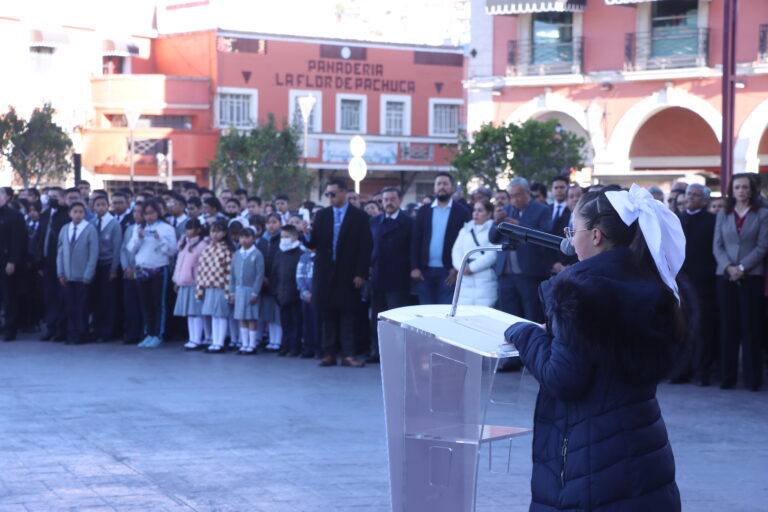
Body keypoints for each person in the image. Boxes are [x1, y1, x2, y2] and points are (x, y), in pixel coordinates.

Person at [505, 184, 684, 512]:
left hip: (595, 456)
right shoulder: (653, 280)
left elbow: (563, 377)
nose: (571, 240)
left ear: (597, 235)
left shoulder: (582, 291)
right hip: (643, 443)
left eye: (574, 230)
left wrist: (524, 334)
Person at [305, 178, 372, 368]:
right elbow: (314, 244)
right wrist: (306, 234)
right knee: (327, 314)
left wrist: (361, 273)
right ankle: (329, 353)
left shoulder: (359, 217)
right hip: (325, 273)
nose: (330, 197)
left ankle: (348, 354)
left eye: (333, 194)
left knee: (348, 315)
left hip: (348, 272)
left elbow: (365, 248)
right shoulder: (323, 215)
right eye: (328, 194)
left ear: (344, 193)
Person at [713, 173, 768, 391]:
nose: (741, 191)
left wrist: (742, 268)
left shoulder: (762, 214)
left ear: (751, 190)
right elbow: (717, 246)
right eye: (737, 187)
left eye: (745, 187)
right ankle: (727, 378)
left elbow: (763, 246)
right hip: (725, 275)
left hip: (751, 275)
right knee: (728, 327)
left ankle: (753, 379)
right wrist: (729, 267)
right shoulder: (723, 214)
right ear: (731, 190)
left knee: (751, 327)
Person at [672, 184, 717, 386]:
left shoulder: (712, 220)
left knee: (703, 330)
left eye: (695, 195)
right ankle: (682, 371)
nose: (690, 197)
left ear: (705, 200)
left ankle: (702, 371)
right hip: (679, 282)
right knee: (681, 328)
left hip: (703, 283)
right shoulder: (677, 219)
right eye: (688, 194)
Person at [491, 178, 553, 322]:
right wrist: (496, 222)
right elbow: (492, 238)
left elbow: (546, 235)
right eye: (511, 196)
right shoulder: (505, 211)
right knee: (506, 319)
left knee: (531, 318)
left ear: (528, 193)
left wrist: (520, 226)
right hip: (505, 275)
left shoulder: (542, 210)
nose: (515, 200)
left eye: (518, 195)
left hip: (529, 274)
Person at [411, 173, 471, 305]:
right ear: (434, 188)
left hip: (449, 272)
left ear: (452, 188)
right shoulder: (423, 211)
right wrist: (414, 267)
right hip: (424, 272)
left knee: (444, 313)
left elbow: (466, 243)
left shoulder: (462, 212)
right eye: (439, 184)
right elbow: (415, 240)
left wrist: (457, 269)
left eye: (445, 184)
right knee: (426, 314)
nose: (441, 187)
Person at [369, 187, 412, 363]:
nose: (388, 202)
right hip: (377, 277)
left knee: (397, 321)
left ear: (400, 201)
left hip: (399, 278)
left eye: (392, 199)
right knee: (377, 319)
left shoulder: (409, 222)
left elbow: (413, 249)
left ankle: (397, 355)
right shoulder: (374, 222)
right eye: (385, 199)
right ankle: (376, 351)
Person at [127, 200, 177, 348]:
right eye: (146, 214)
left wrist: (159, 238)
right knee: (145, 303)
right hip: (142, 269)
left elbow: (171, 251)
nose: (149, 217)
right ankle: (148, 333)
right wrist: (140, 238)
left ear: (158, 213)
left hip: (159, 268)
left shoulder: (166, 228)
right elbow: (131, 248)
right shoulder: (138, 228)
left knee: (158, 303)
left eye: (152, 213)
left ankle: (158, 334)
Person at [57, 202, 99, 345]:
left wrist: (88, 274)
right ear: (70, 214)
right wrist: (60, 272)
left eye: (81, 212)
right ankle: (71, 333)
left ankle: (82, 333)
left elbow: (93, 254)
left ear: (85, 214)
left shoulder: (89, 229)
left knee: (82, 307)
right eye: (75, 212)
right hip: (68, 276)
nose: (78, 215)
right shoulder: (65, 229)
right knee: (70, 306)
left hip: (82, 276)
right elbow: (60, 252)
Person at [450, 199, 498, 306]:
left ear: (489, 213)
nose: (475, 213)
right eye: (474, 210)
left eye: (480, 210)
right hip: (465, 277)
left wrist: (472, 268)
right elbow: (456, 251)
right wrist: (461, 268)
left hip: (485, 277)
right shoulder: (465, 230)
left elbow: (492, 253)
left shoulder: (494, 230)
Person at [196, 219, 234, 353]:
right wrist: (200, 290)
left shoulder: (227, 250)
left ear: (224, 233)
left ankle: (220, 342)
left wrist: (229, 291)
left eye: (218, 231)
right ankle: (214, 341)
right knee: (213, 315)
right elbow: (201, 270)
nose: (215, 234)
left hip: (222, 287)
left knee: (221, 315)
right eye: (213, 231)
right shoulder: (207, 249)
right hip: (209, 287)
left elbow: (230, 272)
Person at [37, 187, 69, 342]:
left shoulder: (67, 215)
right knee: (49, 297)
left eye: (55, 197)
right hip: (46, 263)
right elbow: (39, 239)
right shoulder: (44, 215)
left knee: (61, 298)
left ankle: (60, 329)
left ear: (62, 198)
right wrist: (39, 263)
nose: (51, 199)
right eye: (49, 196)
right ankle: (50, 327)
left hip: (61, 262)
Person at [90, 195, 123, 342]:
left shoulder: (114, 224)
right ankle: (97, 329)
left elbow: (117, 248)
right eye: (97, 205)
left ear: (107, 206)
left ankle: (108, 331)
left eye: (103, 204)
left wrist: (114, 268)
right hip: (94, 265)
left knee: (108, 300)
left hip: (108, 264)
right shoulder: (92, 222)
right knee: (96, 299)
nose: (100, 207)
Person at [173, 218, 209, 351]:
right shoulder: (184, 244)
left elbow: (203, 266)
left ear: (199, 230)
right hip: (184, 282)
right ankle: (192, 338)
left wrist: (201, 282)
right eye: (187, 228)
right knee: (189, 313)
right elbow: (179, 263)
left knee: (196, 313)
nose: (188, 231)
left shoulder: (202, 245)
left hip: (195, 283)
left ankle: (197, 339)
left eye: (191, 228)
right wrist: (176, 279)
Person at [229, 226, 264, 355]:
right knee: (242, 317)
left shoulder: (257, 254)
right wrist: (232, 292)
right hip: (239, 290)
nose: (244, 240)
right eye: (241, 237)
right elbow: (232, 275)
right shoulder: (237, 254)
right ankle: (244, 344)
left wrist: (256, 292)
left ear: (253, 239)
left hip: (250, 291)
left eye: (247, 237)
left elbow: (260, 275)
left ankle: (252, 344)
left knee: (251, 317)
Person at [0, 187, 27, 341]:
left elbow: (18, 241)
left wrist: (12, 261)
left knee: (9, 297)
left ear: (6, 198)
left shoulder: (14, 216)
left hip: (6, 262)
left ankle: (10, 328)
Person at [272, 225, 304, 356]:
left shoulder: (300, 253)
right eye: (282, 237)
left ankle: (295, 347)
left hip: (295, 294)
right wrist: (275, 292)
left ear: (295, 237)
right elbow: (274, 273)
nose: (284, 240)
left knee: (296, 322)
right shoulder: (280, 252)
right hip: (281, 293)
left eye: (287, 237)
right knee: (285, 322)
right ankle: (285, 345)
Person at [258, 213, 284, 351]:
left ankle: (278, 341)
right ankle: (271, 341)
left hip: (278, 281)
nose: (271, 225)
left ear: (280, 223)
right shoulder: (262, 240)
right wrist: (262, 276)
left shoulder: (282, 238)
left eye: (274, 222)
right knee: (268, 313)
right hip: (265, 281)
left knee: (277, 314)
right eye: (268, 223)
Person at [120, 203, 145, 344]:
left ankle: (143, 332)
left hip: (142, 271)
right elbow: (124, 249)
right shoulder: (129, 228)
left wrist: (136, 267)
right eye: (135, 211)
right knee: (130, 303)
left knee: (142, 303)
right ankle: (131, 332)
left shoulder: (148, 230)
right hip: (129, 272)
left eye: (140, 212)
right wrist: (126, 267)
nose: (137, 215)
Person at [552, 185, 582, 274]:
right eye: (571, 197)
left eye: (578, 196)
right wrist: (555, 263)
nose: (575, 199)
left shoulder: (591, 221)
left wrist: (574, 265)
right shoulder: (559, 220)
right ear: (566, 201)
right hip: (560, 271)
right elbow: (553, 245)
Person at [296, 246, 318, 359]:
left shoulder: (321, 256)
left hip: (318, 296)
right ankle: (308, 348)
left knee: (318, 323)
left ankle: (319, 348)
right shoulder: (304, 257)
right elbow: (299, 276)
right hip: (305, 296)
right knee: (307, 322)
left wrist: (316, 293)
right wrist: (304, 292)